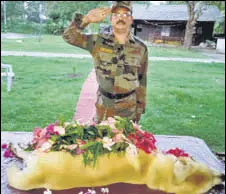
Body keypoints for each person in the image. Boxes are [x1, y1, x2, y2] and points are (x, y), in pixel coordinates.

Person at [63, 1, 148, 123]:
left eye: (125, 14)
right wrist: (86, 20)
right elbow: (68, 36)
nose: (120, 18)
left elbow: (142, 79)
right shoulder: (98, 41)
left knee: (125, 139)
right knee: (102, 139)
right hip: (104, 105)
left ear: (131, 19)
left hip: (128, 107)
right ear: (110, 19)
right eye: (116, 14)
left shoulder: (141, 48)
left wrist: (140, 108)